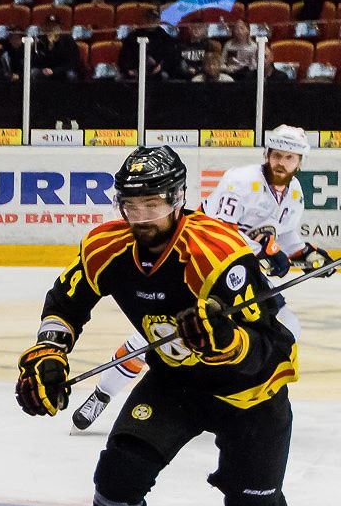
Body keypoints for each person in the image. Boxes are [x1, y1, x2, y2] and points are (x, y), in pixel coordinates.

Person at [17, 146, 300, 506]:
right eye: (131, 205)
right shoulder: (106, 245)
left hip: (250, 394)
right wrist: (49, 349)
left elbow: (271, 345)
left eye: (152, 204)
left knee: (250, 504)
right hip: (176, 383)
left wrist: (227, 340)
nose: (141, 216)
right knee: (118, 474)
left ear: (177, 199)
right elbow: (67, 298)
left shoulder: (218, 253)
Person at [70, 126, 333, 428]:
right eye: (277, 155)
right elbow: (220, 232)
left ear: (300, 161)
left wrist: (307, 254)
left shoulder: (294, 193)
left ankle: (222, 391)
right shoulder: (241, 181)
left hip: (243, 274)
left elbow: (287, 238)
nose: (281, 162)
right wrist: (265, 248)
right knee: (161, 335)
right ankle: (103, 393)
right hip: (199, 265)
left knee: (284, 325)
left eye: (289, 157)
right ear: (267, 154)